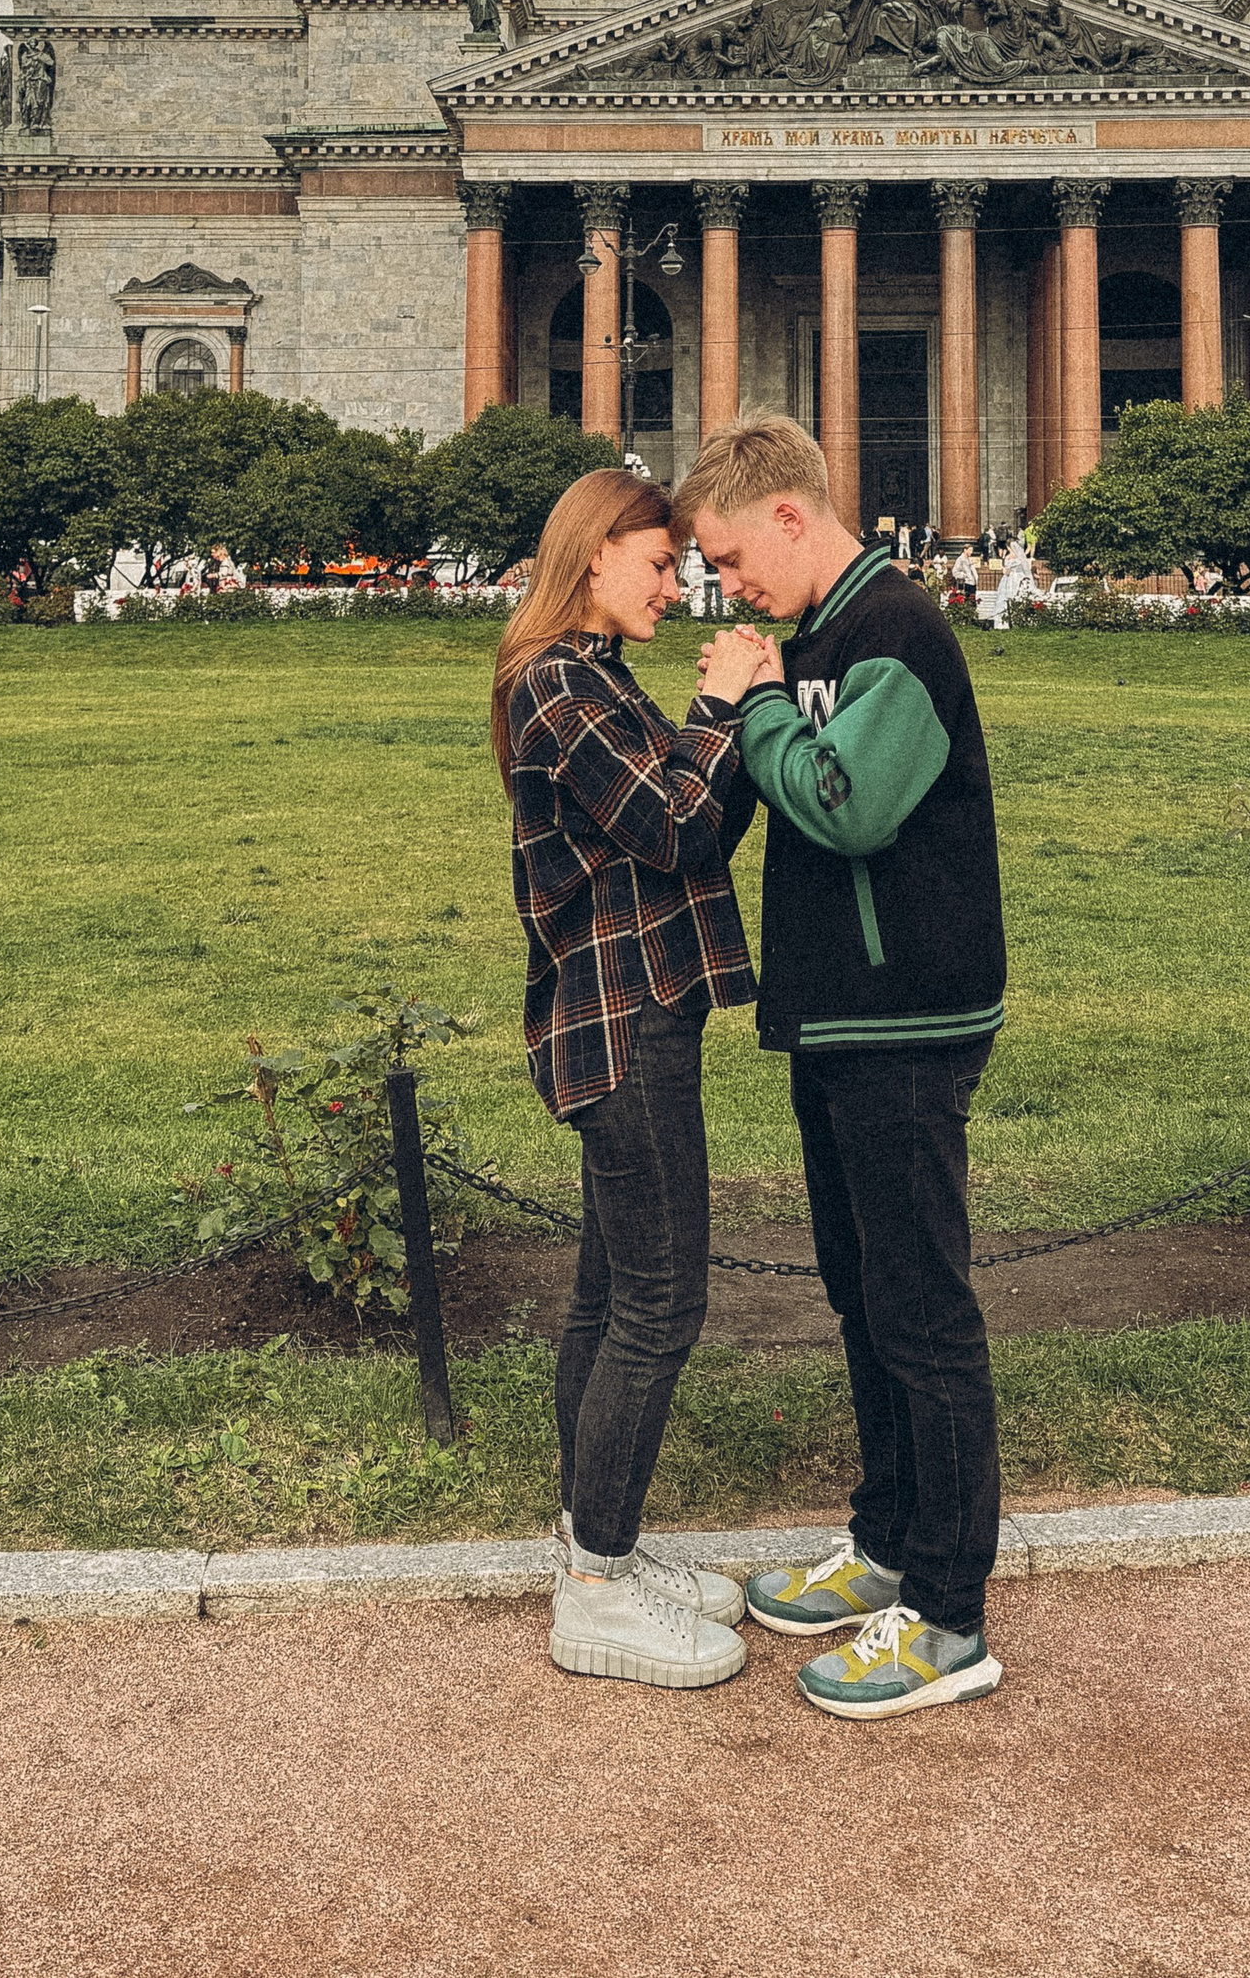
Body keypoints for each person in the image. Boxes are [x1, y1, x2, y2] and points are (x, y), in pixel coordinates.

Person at [675, 414, 1007, 1719]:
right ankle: (887, 1542)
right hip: (839, 1016)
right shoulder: (816, 643)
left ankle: (951, 1613)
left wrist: (755, 698)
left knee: (922, 1307)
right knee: (864, 1294)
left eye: (733, 559)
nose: (727, 585)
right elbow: (743, 800)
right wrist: (730, 704)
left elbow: (848, 802)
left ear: (794, 517)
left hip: (909, 1018)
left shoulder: (897, 633)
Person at [492, 467, 778, 1691]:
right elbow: (678, 827)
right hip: (622, 1021)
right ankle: (597, 1583)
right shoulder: (561, 681)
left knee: (609, 1299)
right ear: (593, 556)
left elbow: (699, 813)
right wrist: (724, 705)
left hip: (628, 1010)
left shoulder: (591, 676)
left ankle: (592, 1542)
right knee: (659, 1304)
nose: (677, 582)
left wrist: (735, 724)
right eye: (658, 563)